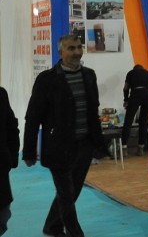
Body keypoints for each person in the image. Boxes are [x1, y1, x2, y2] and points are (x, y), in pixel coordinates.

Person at [23, 34, 107, 237]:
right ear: (60, 52)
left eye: (79, 47)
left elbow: (92, 113)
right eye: (71, 48)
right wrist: (29, 151)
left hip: (84, 145)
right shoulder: (46, 80)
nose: (77, 52)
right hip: (58, 147)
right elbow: (33, 117)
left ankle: (52, 226)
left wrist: (99, 145)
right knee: (66, 194)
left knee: (72, 191)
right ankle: (75, 233)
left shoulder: (89, 76)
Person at [0, 87, 19, 236]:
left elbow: (11, 126)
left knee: (3, 213)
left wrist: (12, 156)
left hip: (0, 163)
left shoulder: (0, 94)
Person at [122, 64, 148, 156]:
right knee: (143, 122)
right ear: (142, 68)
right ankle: (141, 148)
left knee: (128, 121)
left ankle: (124, 148)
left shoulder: (130, 73)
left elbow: (125, 88)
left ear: (134, 69)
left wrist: (126, 100)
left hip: (136, 94)